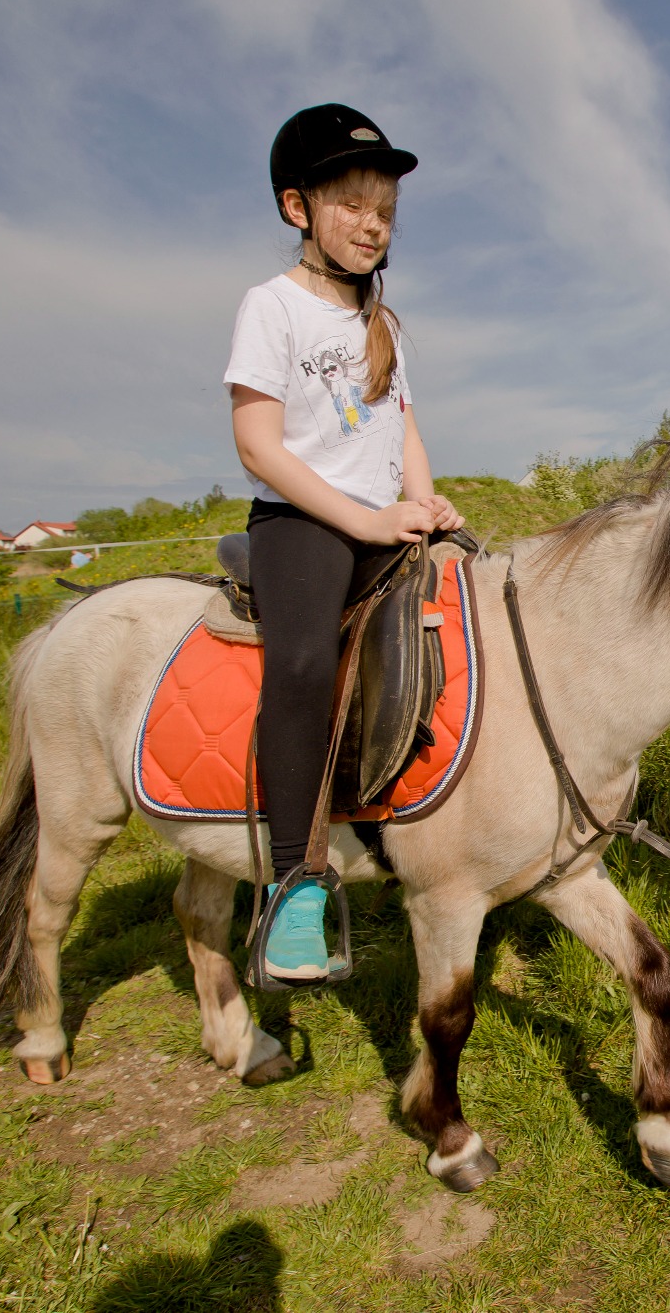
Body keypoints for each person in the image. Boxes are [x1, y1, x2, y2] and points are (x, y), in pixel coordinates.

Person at [224, 104, 462, 983]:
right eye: (354, 205)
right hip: (303, 522)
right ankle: (296, 884)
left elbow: (403, 431)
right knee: (301, 666)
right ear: (299, 209)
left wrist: (424, 499)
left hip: (383, 516)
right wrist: (361, 520)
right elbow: (258, 445)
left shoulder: (387, 326)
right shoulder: (272, 307)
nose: (373, 224)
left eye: (385, 210)